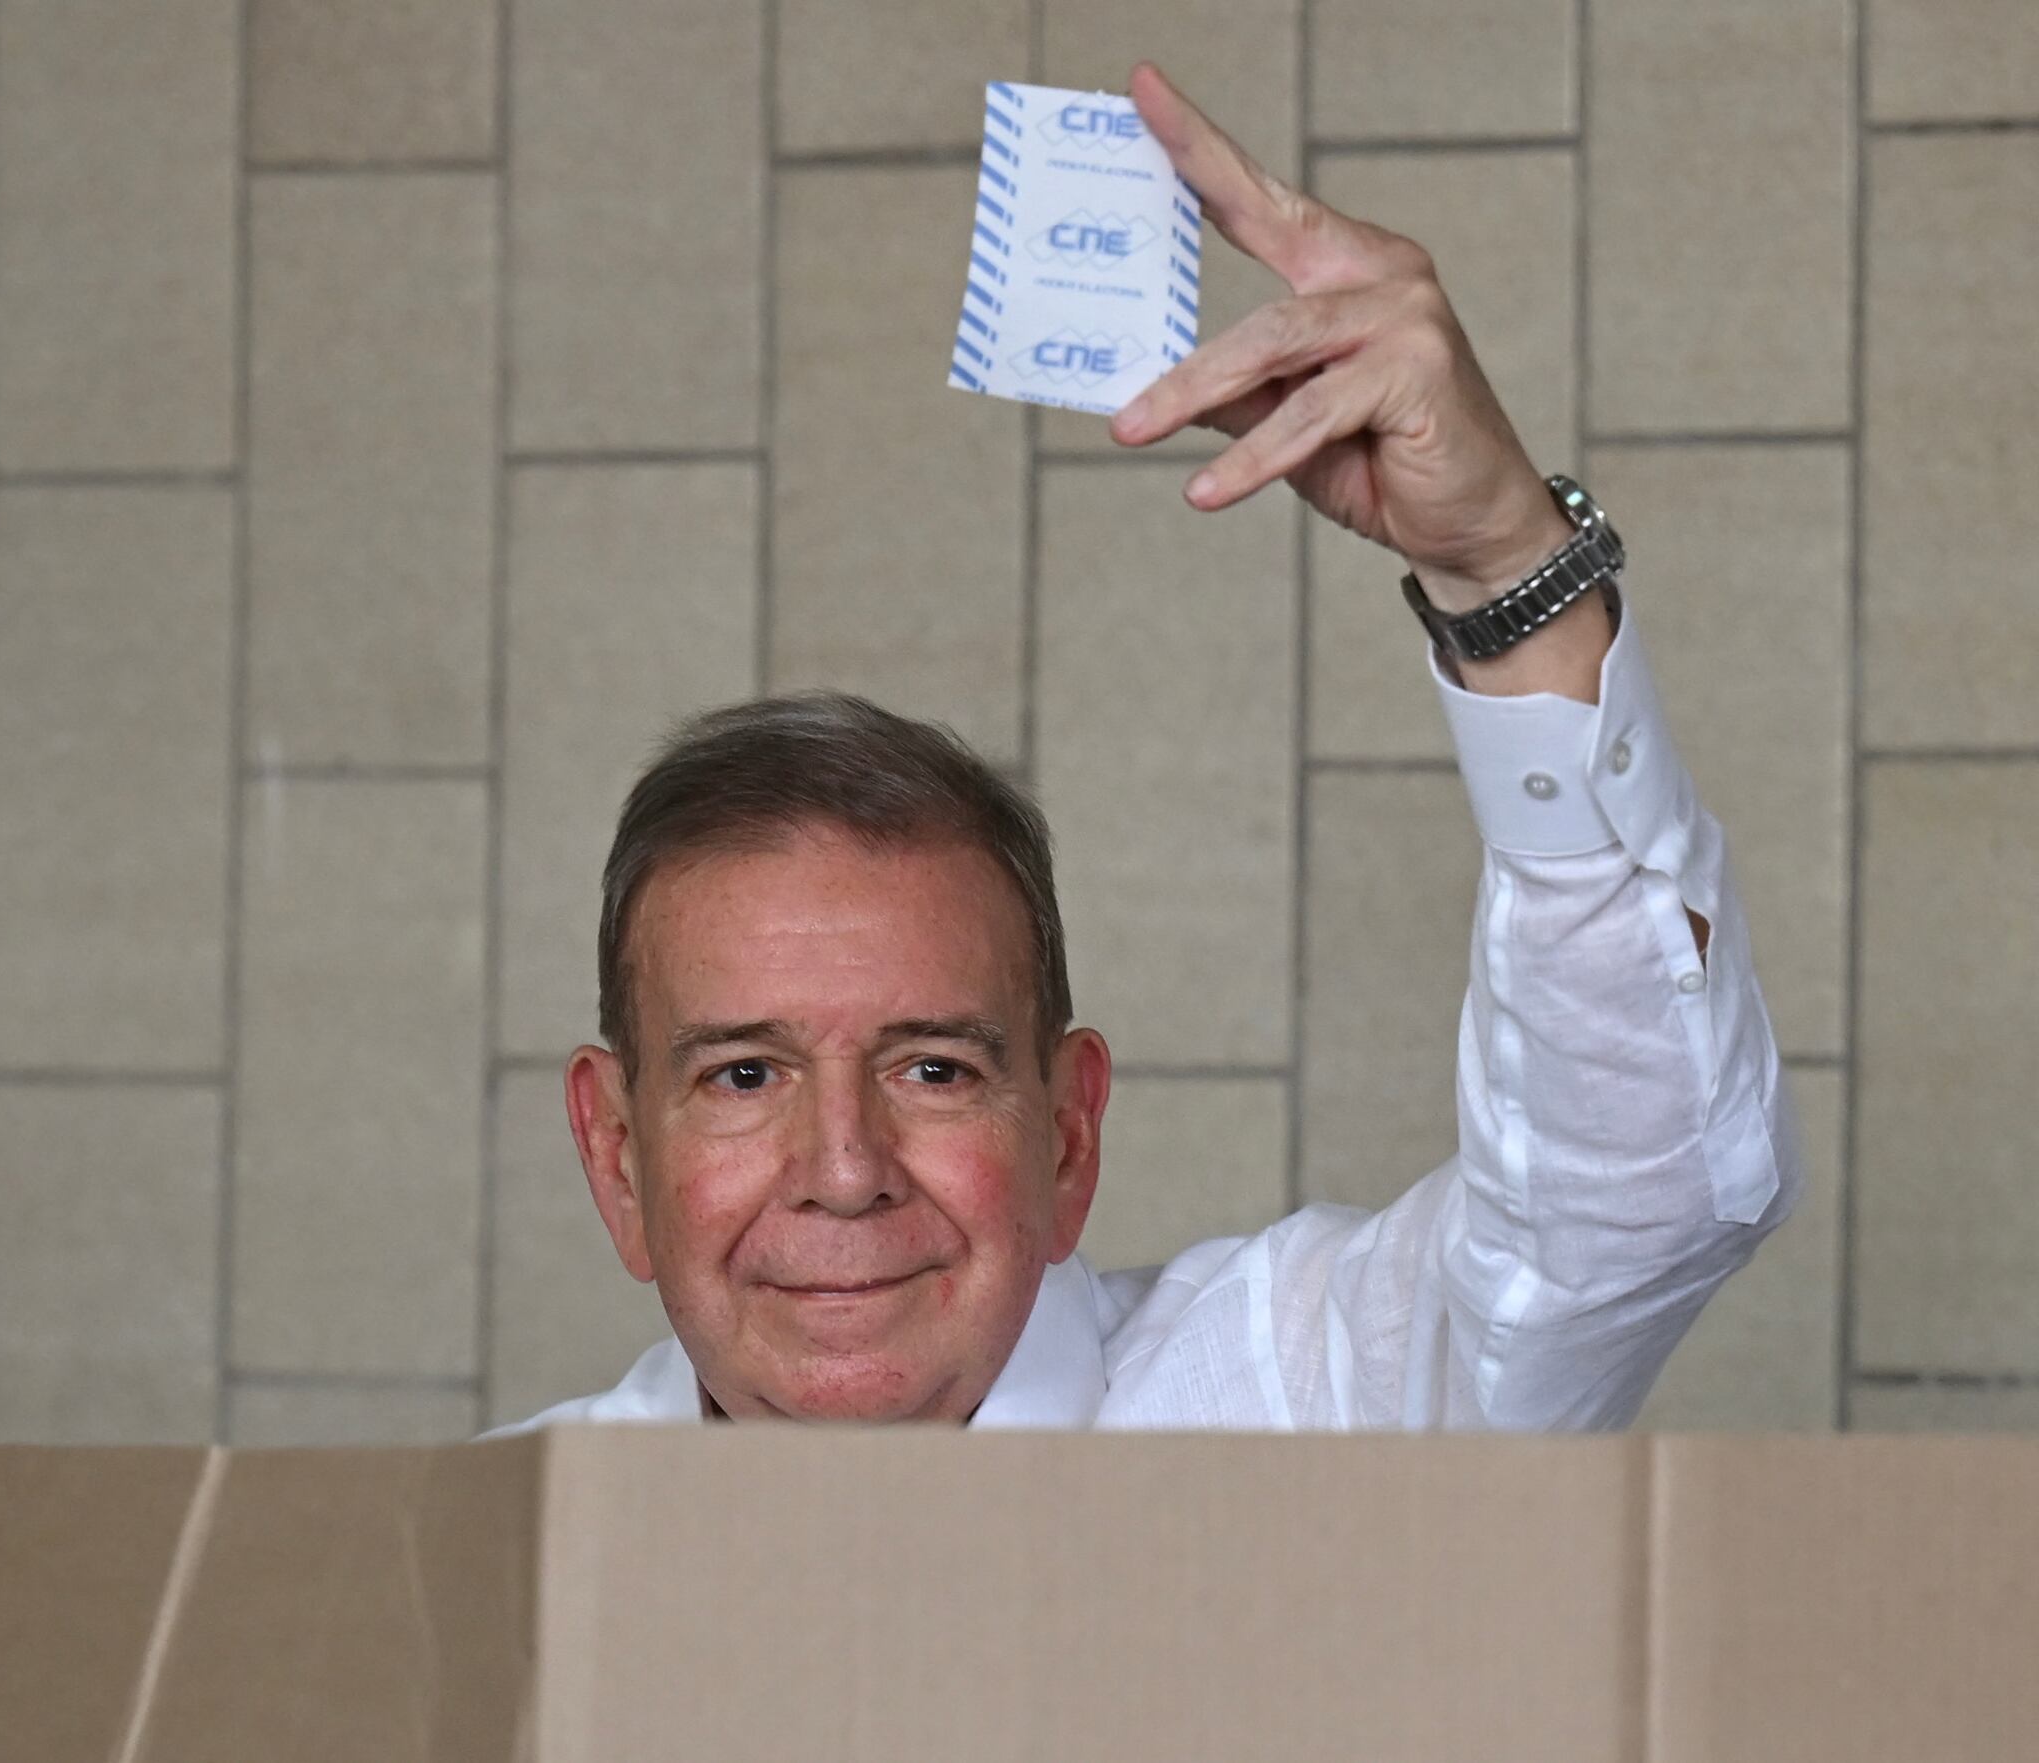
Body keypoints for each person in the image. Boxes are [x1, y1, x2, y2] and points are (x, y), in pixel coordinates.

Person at [487, 61, 1799, 1434]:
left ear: (1068, 1133)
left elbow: (1637, 1206)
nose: (845, 1170)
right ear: (617, 1156)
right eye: (743, 1075)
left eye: (934, 1068)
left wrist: (1505, 569)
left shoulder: (1304, 1400)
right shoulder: (470, 1539)